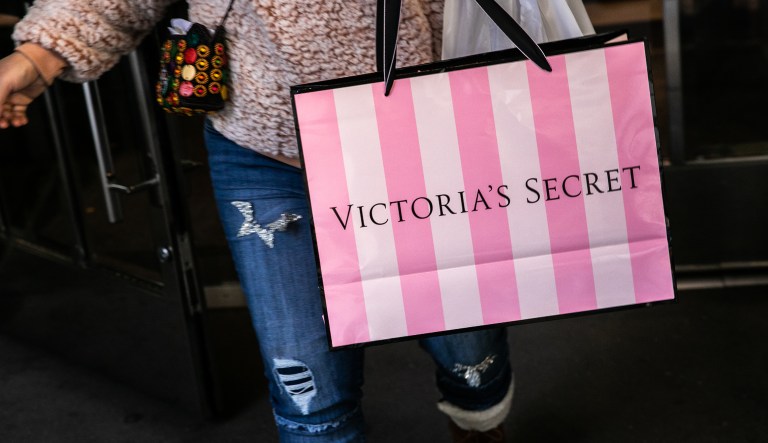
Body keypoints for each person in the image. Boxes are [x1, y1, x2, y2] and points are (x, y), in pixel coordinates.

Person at [0, 1, 519, 441]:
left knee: (465, 342)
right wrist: (40, 54)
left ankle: (477, 420)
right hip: (262, 142)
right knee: (306, 381)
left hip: (421, 130)